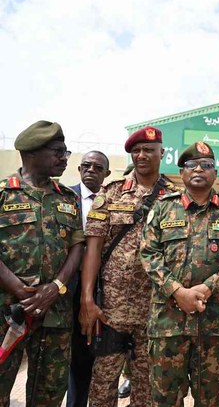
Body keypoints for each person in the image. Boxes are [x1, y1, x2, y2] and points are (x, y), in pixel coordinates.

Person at [140, 141, 219, 407]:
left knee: (209, 397)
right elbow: (148, 254)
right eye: (191, 165)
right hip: (168, 323)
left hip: (212, 322)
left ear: (216, 173)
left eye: (207, 165)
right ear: (182, 172)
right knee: (165, 398)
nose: (199, 169)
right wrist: (177, 292)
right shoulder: (163, 207)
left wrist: (210, 286)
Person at [79, 126, 177, 406]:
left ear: (162, 152)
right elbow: (93, 249)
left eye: (149, 150)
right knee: (102, 385)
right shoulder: (110, 194)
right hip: (112, 310)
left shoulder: (174, 198)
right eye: (136, 151)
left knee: (147, 389)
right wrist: (87, 299)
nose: (142, 155)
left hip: (157, 309)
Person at [0, 120, 85, 406]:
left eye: (66, 152)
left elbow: (77, 246)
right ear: (32, 153)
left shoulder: (69, 198)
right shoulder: (3, 193)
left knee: (48, 395)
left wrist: (56, 287)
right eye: (58, 151)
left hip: (55, 314)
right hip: (8, 313)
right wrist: (18, 289)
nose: (65, 158)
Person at [67, 151, 111, 407]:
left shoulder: (113, 200)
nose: (91, 170)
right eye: (86, 165)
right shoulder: (64, 196)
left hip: (104, 290)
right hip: (67, 289)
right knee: (73, 360)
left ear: (106, 174)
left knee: (99, 359)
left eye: (98, 167)